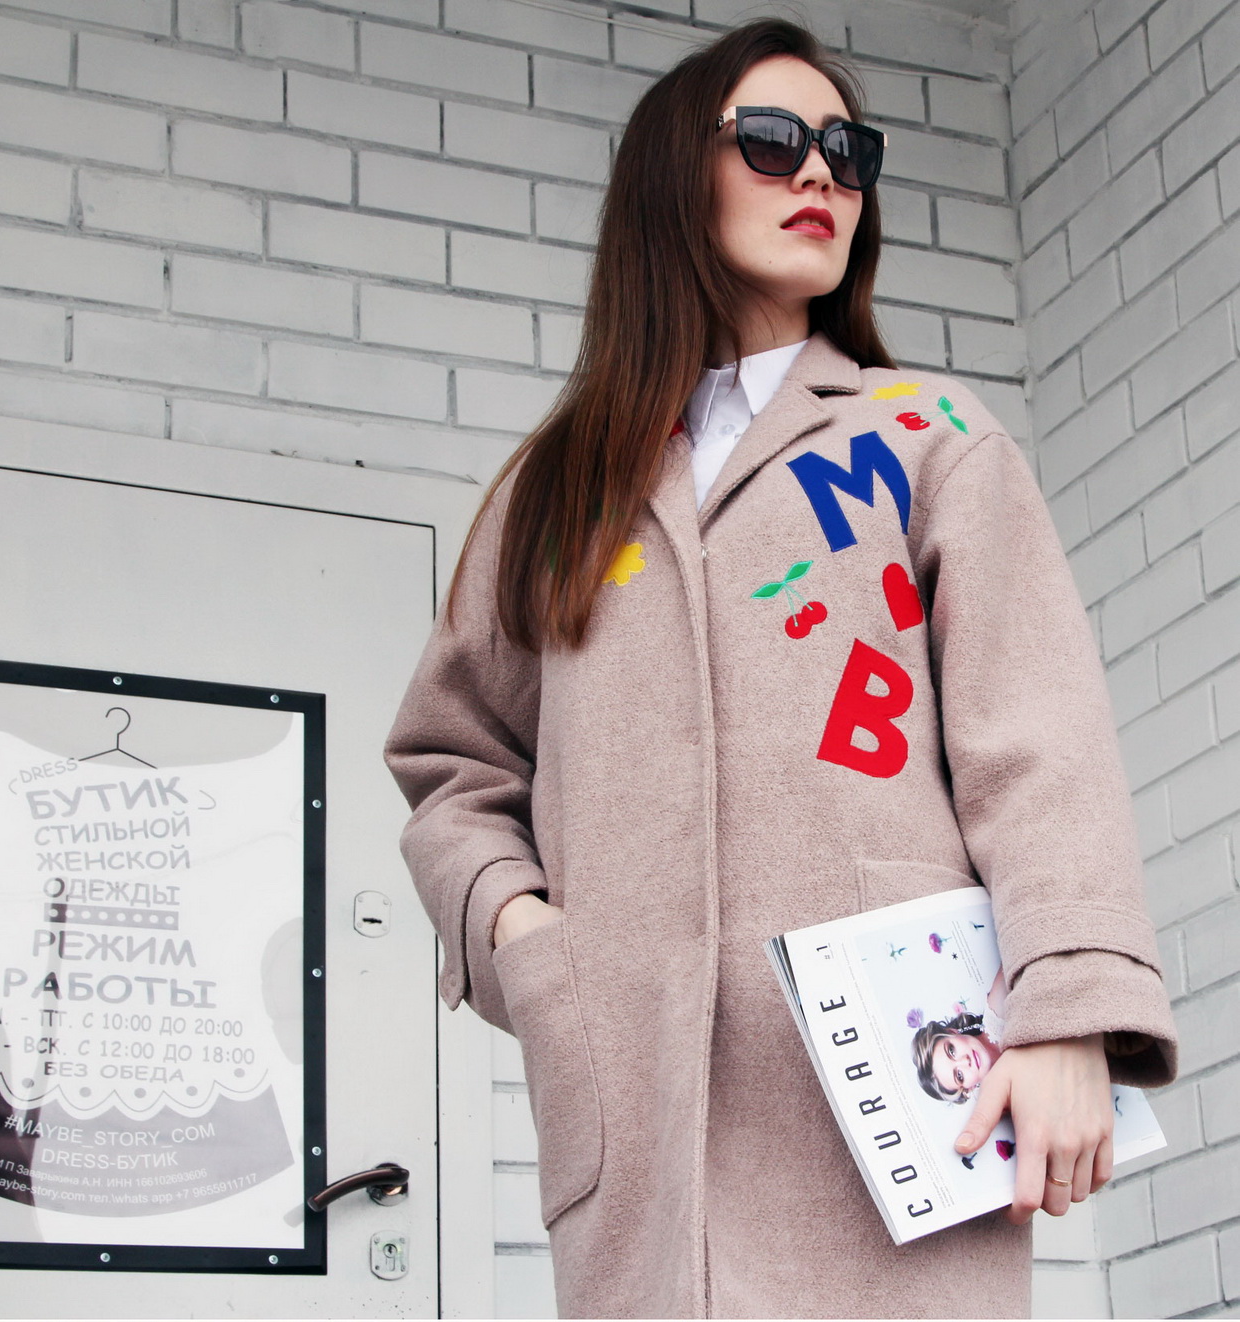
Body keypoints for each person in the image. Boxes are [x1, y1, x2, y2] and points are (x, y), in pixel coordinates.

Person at [384, 17, 1178, 1319]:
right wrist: (523, 933)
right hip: (640, 1136)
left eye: (846, 152)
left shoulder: (925, 436)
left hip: (890, 1122)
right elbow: (451, 760)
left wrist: (1069, 1011)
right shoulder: (558, 490)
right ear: (672, 175)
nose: (818, 173)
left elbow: (1036, 741)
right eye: (769, 140)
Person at [914, 967, 1008, 1103]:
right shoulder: (1006, 1101)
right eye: (959, 1075)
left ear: (952, 1032)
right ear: (968, 1089)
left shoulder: (999, 1004)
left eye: (951, 1051)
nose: (965, 1061)